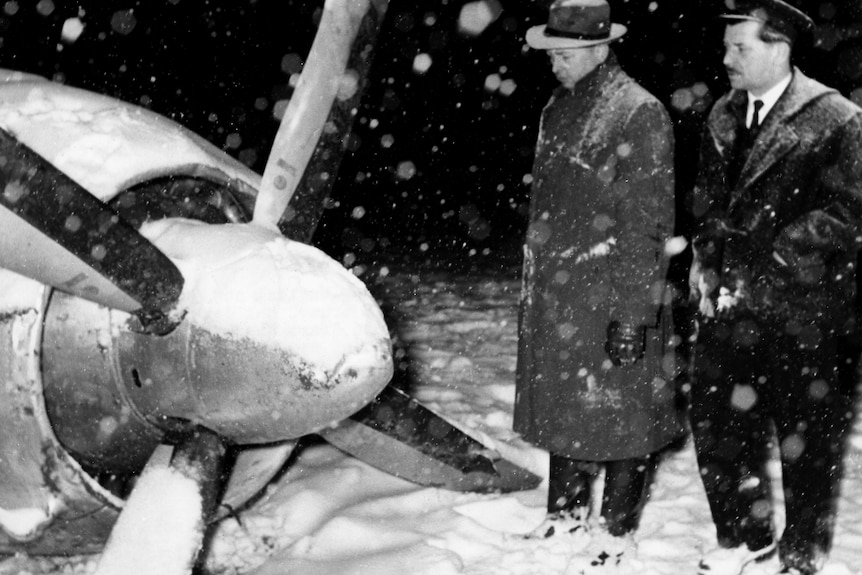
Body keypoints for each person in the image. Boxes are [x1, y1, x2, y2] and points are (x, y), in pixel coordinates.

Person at [687, 1, 862, 573]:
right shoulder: (721, 114)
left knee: (806, 440)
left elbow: (853, 212)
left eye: (742, 47)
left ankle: (799, 554)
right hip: (729, 301)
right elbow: (710, 204)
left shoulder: (834, 118)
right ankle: (747, 536)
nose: (726, 58)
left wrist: (785, 245)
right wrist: (703, 254)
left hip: (803, 311)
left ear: (780, 47)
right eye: (727, 46)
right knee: (719, 426)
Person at [514, 0, 685, 566]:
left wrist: (635, 313)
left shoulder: (639, 113)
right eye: (551, 54)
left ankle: (616, 531)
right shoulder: (558, 107)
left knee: (623, 412)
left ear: (598, 49)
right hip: (563, 292)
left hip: (612, 293)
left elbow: (648, 223)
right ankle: (564, 516)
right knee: (568, 406)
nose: (553, 65)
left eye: (562, 55)